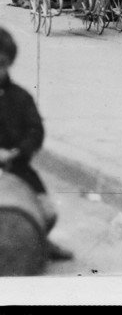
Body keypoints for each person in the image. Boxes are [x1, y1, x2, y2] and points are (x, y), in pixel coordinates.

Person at [0, 27, 73, 260]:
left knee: (47, 212)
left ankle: (39, 240)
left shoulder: (20, 98)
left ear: (8, 63)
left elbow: (36, 131)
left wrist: (17, 152)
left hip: (16, 168)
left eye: (1, 64)